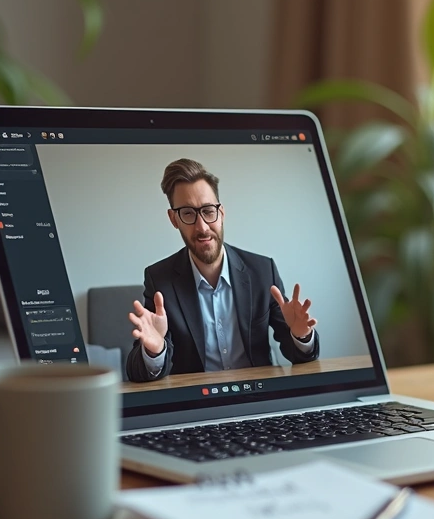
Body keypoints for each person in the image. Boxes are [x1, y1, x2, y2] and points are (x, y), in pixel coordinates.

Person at [125, 158, 320, 382]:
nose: (202, 227)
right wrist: (155, 351)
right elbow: (137, 373)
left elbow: (299, 356)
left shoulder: (262, 271)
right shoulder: (160, 280)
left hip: (258, 397)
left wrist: (301, 336)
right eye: (188, 213)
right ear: (174, 219)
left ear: (222, 212)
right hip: (197, 405)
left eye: (208, 211)